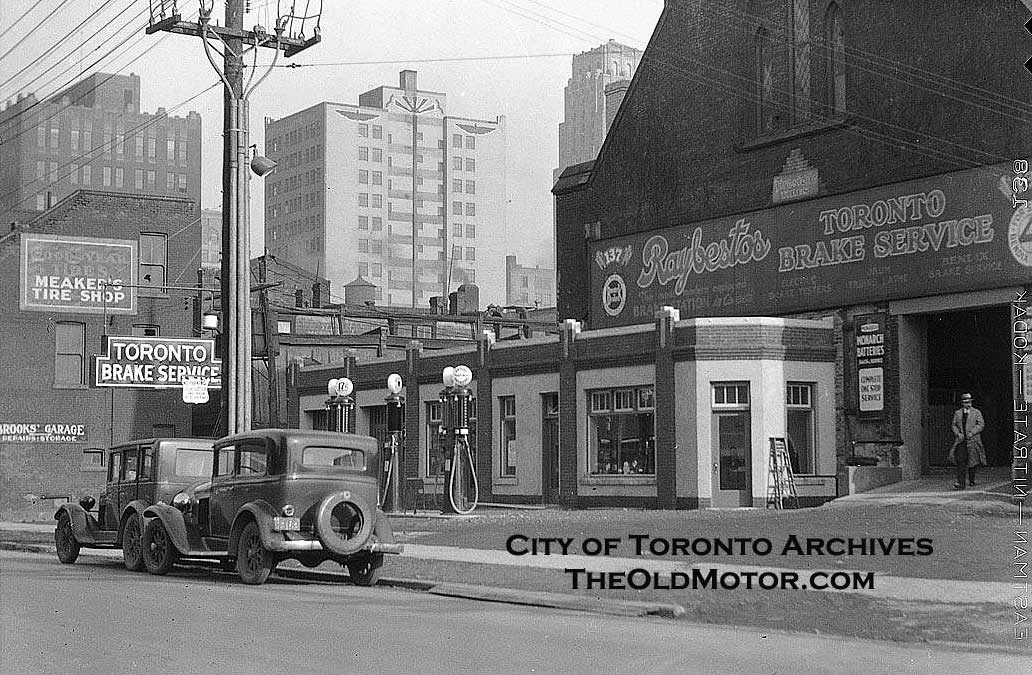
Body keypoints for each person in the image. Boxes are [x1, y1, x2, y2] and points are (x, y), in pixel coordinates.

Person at [949, 392, 987, 489]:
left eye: (969, 402)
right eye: (966, 402)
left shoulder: (976, 412)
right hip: (961, 440)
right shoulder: (957, 413)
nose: (968, 404)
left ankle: (971, 479)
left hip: (973, 440)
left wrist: (972, 432)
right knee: (961, 460)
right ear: (962, 403)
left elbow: (981, 424)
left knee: (973, 461)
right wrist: (958, 433)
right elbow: (954, 425)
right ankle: (961, 483)